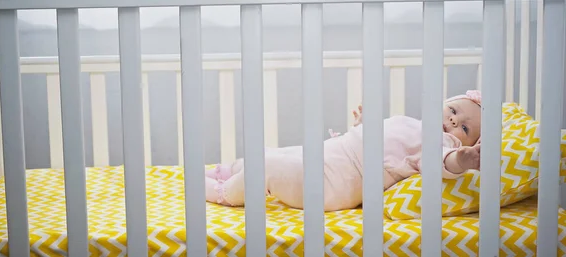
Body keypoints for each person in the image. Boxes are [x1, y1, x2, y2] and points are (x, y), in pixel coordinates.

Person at [204, 90, 482, 211]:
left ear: (466, 143)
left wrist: (463, 159)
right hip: (332, 154)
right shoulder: (414, 124)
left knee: (268, 166)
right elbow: (386, 142)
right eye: (453, 110)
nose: (455, 121)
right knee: (274, 154)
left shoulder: (444, 144)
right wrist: (365, 125)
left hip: (337, 182)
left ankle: (224, 193)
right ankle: (232, 171)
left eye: (466, 129)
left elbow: (441, 165)